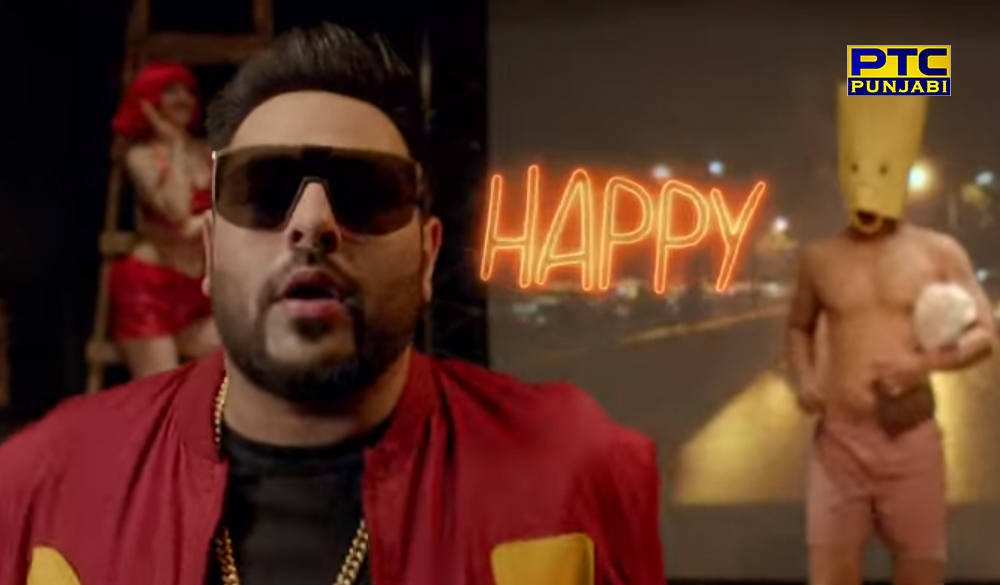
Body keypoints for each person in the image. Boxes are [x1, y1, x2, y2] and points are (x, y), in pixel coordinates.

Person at [0, 23, 664, 585]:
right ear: (208, 251)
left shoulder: (577, 471)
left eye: (365, 191)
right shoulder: (48, 483)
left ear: (428, 254)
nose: (313, 222)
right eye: (266, 189)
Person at [787, 85, 996, 585]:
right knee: (831, 575)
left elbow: (985, 333)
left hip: (910, 443)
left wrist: (923, 365)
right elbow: (798, 325)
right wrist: (806, 376)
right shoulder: (819, 259)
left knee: (920, 574)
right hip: (838, 447)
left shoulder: (939, 252)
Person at [108, 62, 220, 378]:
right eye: (171, 91)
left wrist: (199, 224)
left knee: (250, 359)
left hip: (199, 289)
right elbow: (177, 211)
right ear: (149, 99)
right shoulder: (141, 157)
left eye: (187, 91)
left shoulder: (207, 152)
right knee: (162, 389)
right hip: (150, 288)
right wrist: (174, 145)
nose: (183, 98)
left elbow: (234, 210)